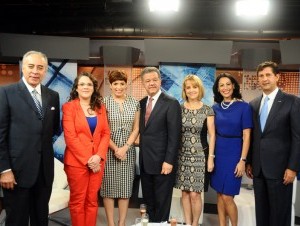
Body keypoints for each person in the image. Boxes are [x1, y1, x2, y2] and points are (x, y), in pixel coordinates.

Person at [0, 50, 60, 226]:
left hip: (44, 172)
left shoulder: (52, 96)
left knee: (40, 220)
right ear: (23, 67)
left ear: (45, 70)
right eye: (31, 66)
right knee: (16, 220)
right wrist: (4, 170)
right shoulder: (6, 93)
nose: (35, 71)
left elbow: (53, 129)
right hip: (16, 173)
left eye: (40, 67)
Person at [246, 61, 300, 226]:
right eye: (261, 76)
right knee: (261, 214)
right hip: (258, 169)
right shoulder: (253, 104)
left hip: (281, 170)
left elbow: (298, 137)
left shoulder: (292, 101)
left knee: (279, 215)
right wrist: (249, 162)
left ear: (277, 77)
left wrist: (293, 167)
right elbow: (254, 136)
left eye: (268, 75)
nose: (264, 79)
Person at [62, 72, 110, 226]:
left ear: (94, 88)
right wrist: (88, 159)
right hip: (77, 163)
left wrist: (98, 157)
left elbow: (105, 133)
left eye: (89, 84)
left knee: (92, 200)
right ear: (76, 88)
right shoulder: (69, 107)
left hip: (97, 162)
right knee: (78, 202)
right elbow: (71, 137)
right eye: (82, 84)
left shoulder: (100, 107)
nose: (85, 87)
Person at [139, 67, 181, 222]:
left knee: (162, 202)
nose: (151, 83)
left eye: (154, 80)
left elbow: (174, 135)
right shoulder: (141, 103)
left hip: (163, 162)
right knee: (149, 201)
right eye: (148, 81)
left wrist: (169, 161)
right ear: (143, 83)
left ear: (160, 81)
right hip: (145, 162)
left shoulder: (171, 103)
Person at [210, 73, 253, 226]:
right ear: (218, 88)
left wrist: (242, 160)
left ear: (234, 86)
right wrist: (211, 157)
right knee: (220, 194)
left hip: (235, 152)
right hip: (219, 152)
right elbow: (212, 134)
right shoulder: (215, 108)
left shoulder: (244, 107)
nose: (225, 88)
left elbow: (247, 136)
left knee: (228, 196)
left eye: (228, 84)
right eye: (222, 85)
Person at [174, 74, 215, 226]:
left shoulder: (207, 110)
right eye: (188, 87)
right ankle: (187, 222)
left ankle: (195, 224)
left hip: (199, 155)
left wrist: (211, 157)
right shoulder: (178, 108)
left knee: (195, 194)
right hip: (181, 155)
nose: (192, 90)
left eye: (194, 87)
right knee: (184, 192)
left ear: (200, 88)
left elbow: (212, 135)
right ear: (185, 90)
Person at [100, 70, 140, 226]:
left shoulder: (134, 102)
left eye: (122, 84)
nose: (119, 87)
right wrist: (116, 148)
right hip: (109, 150)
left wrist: (125, 148)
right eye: (115, 84)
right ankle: (111, 223)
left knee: (125, 189)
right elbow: (102, 129)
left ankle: (121, 222)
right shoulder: (103, 103)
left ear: (126, 85)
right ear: (110, 85)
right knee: (108, 189)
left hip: (128, 151)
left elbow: (136, 128)